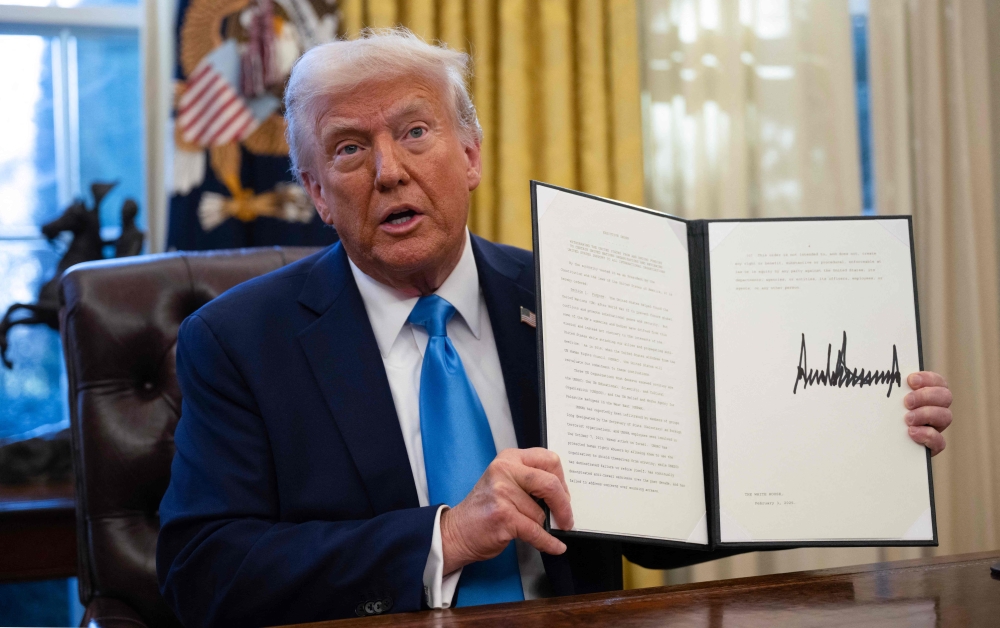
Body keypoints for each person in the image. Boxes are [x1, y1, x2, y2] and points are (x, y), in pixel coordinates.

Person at [156, 28, 955, 627]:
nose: (390, 170)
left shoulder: (582, 292)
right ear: (317, 193)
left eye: (415, 131)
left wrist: (859, 430)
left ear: (469, 154)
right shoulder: (237, 341)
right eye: (349, 148)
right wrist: (445, 538)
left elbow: (673, 514)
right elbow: (203, 571)